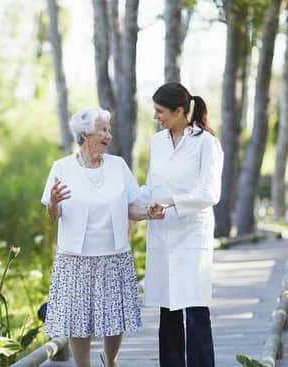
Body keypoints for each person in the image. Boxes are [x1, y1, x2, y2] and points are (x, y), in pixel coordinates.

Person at [41, 107, 161, 367]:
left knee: (114, 316)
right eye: (103, 130)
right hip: (76, 256)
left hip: (114, 253)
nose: (109, 135)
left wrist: (149, 213)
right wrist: (53, 201)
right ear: (85, 134)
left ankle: (111, 361)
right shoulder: (61, 167)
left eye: (109, 129)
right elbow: (54, 213)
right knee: (78, 318)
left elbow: (131, 207)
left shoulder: (117, 166)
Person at [142, 82, 224, 367]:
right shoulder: (158, 142)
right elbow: (153, 185)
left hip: (192, 232)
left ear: (180, 111)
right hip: (163, 232)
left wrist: (173, 203)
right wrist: (145, 203)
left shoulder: (206, 143)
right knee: (168, 308)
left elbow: (210, 193)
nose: (156, 116)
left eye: (160, 111)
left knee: (196, 308)